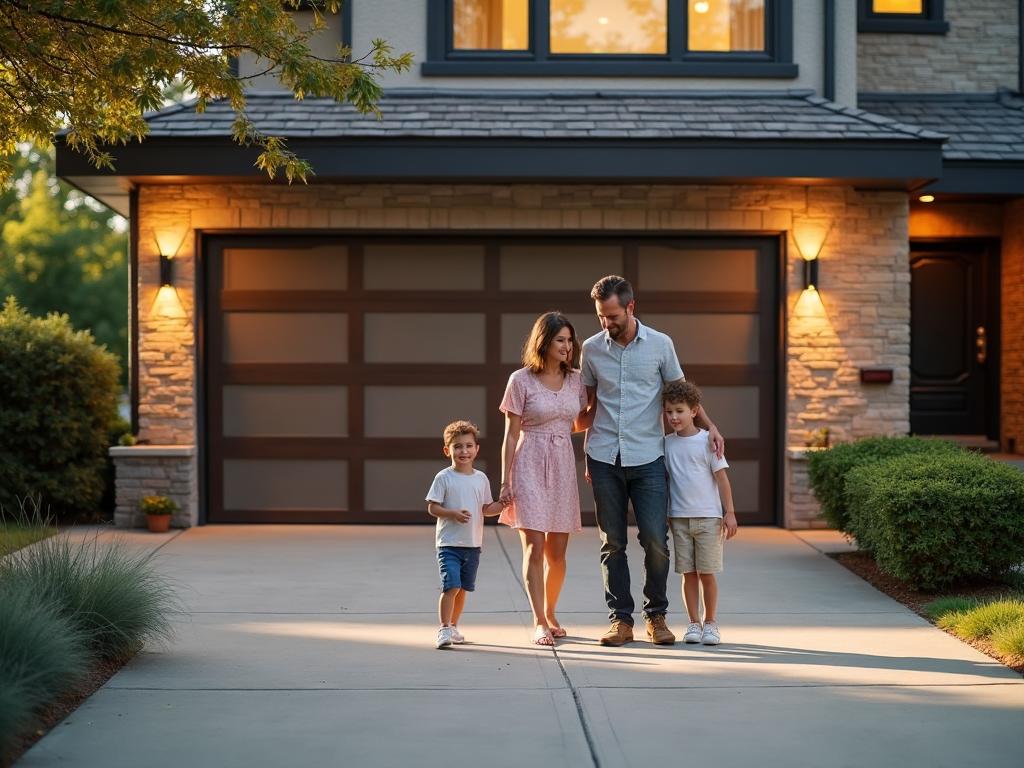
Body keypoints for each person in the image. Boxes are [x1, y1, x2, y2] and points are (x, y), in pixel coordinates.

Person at [581, 275, 724, 647]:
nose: (606, 324)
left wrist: (711, 427)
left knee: (655, 541)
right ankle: (620, 621)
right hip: (603, 456)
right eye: (600, 316)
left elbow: (681, 392)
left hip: (648, 457)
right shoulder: (592, 349)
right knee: (612, 543)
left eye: (612, 315)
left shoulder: (661, 345)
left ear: (630, 307)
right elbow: (588, 405)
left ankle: (656, 616)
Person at [498, 312, 593, 646]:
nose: (568, 346)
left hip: (563, 462)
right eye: (560, 340)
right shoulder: (520, 380)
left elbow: (575, 423)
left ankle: (551, 611)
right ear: (544, 342)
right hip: (528, 462)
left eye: (570, 340)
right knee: (535, 547)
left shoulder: (578, 380)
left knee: (558, 553)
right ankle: (539, 621)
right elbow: (510, 436)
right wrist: (505, 480)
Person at [662, 381, 738, 646]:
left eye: (679, 411)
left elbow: (722, 479)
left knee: (707, 572)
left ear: (694, 411)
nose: (674, 417)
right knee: (688, 573)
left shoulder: (707, 441)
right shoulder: (666, 444)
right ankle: (693, 623)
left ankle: (711, 623)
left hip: (708, 518)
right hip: (680, 519)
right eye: (669, 411)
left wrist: (730, 513)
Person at [426, 420, 506, 649]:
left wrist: (503, 505)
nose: (464, 451)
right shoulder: (444, 478)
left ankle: (453, 626)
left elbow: (486, 509)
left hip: (472, 544)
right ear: (447, 450)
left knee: (462, 588)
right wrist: (451, 513)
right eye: (458, 446)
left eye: (468, 446)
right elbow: (432, 507)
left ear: (476, 449)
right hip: (448, 544)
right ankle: (443, 629)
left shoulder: (480, 479)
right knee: (450, 586)